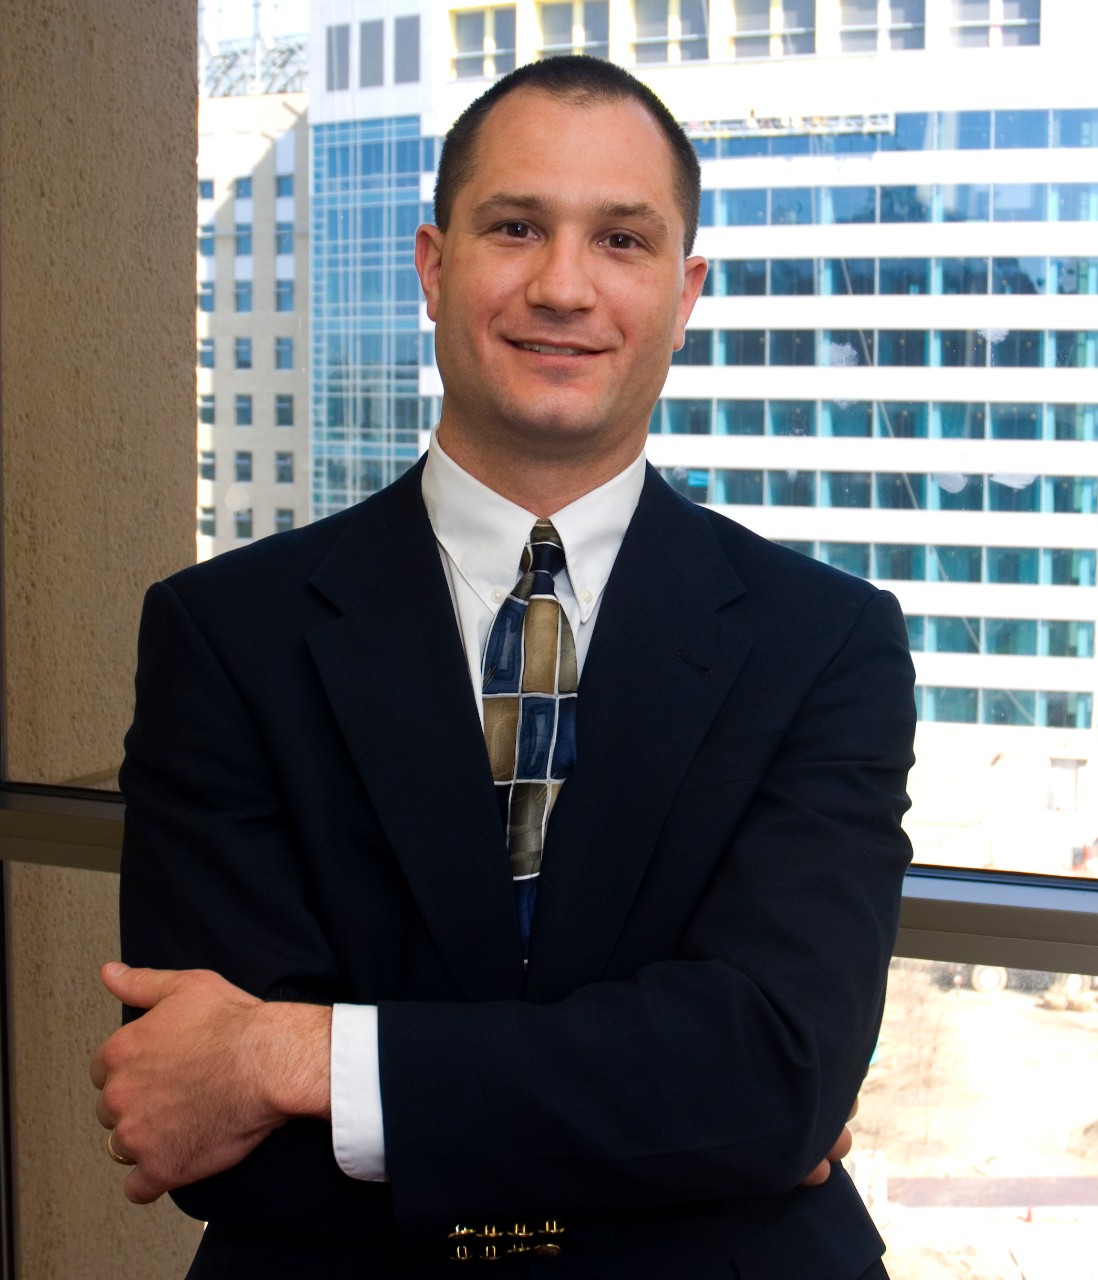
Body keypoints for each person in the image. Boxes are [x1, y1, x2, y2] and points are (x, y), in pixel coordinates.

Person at [91, 56, 915, 1279]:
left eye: (622, 239)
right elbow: (219, 1145)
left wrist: (294, 1058)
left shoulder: (827, 642)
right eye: (515, 226)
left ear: (686, 293)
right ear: (433, 266)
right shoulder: (228, 635)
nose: (563, 285)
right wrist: (691, 1129)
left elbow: (777, 1075)